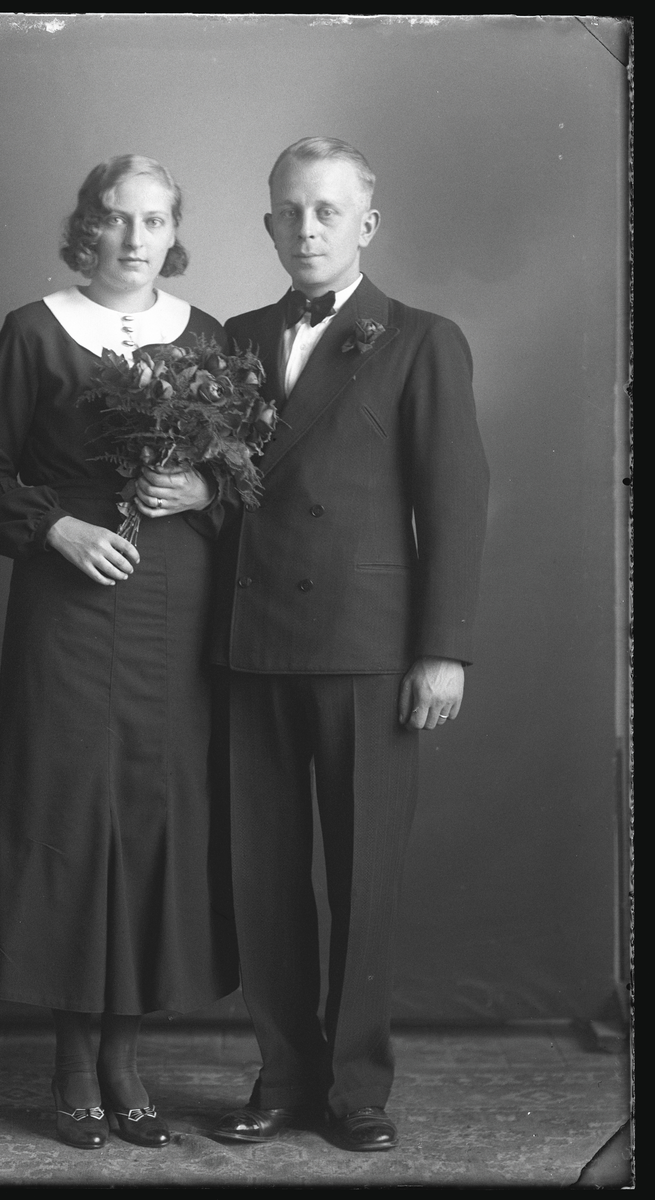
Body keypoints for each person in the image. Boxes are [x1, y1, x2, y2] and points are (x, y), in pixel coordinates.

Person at [211, 138, 489, 1152]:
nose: (307, 228)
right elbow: (225, 492)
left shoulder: (421, 338)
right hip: (251, 644)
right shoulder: (236, 337)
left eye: (327, 210)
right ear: (267, 224)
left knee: (364, 882)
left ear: (365, 224)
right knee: (263, 878)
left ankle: (356, 1088)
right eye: (289, 211)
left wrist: (441, 650)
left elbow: (454, 502)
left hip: (367, 649)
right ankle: (282, 1075)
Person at [0, 155, 238, 1151]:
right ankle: (73, 1059)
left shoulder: (204, 336)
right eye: (117, 219)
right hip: (69, 596)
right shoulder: (34, 330)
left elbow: (243, 473)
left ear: (173, 233)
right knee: (68, 808)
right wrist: (56, 528)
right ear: (87, 227)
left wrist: (202, 488)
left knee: (158, 810)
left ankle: (125, 1055)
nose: (134, 238)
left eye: (154, 221)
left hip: (175, 601)